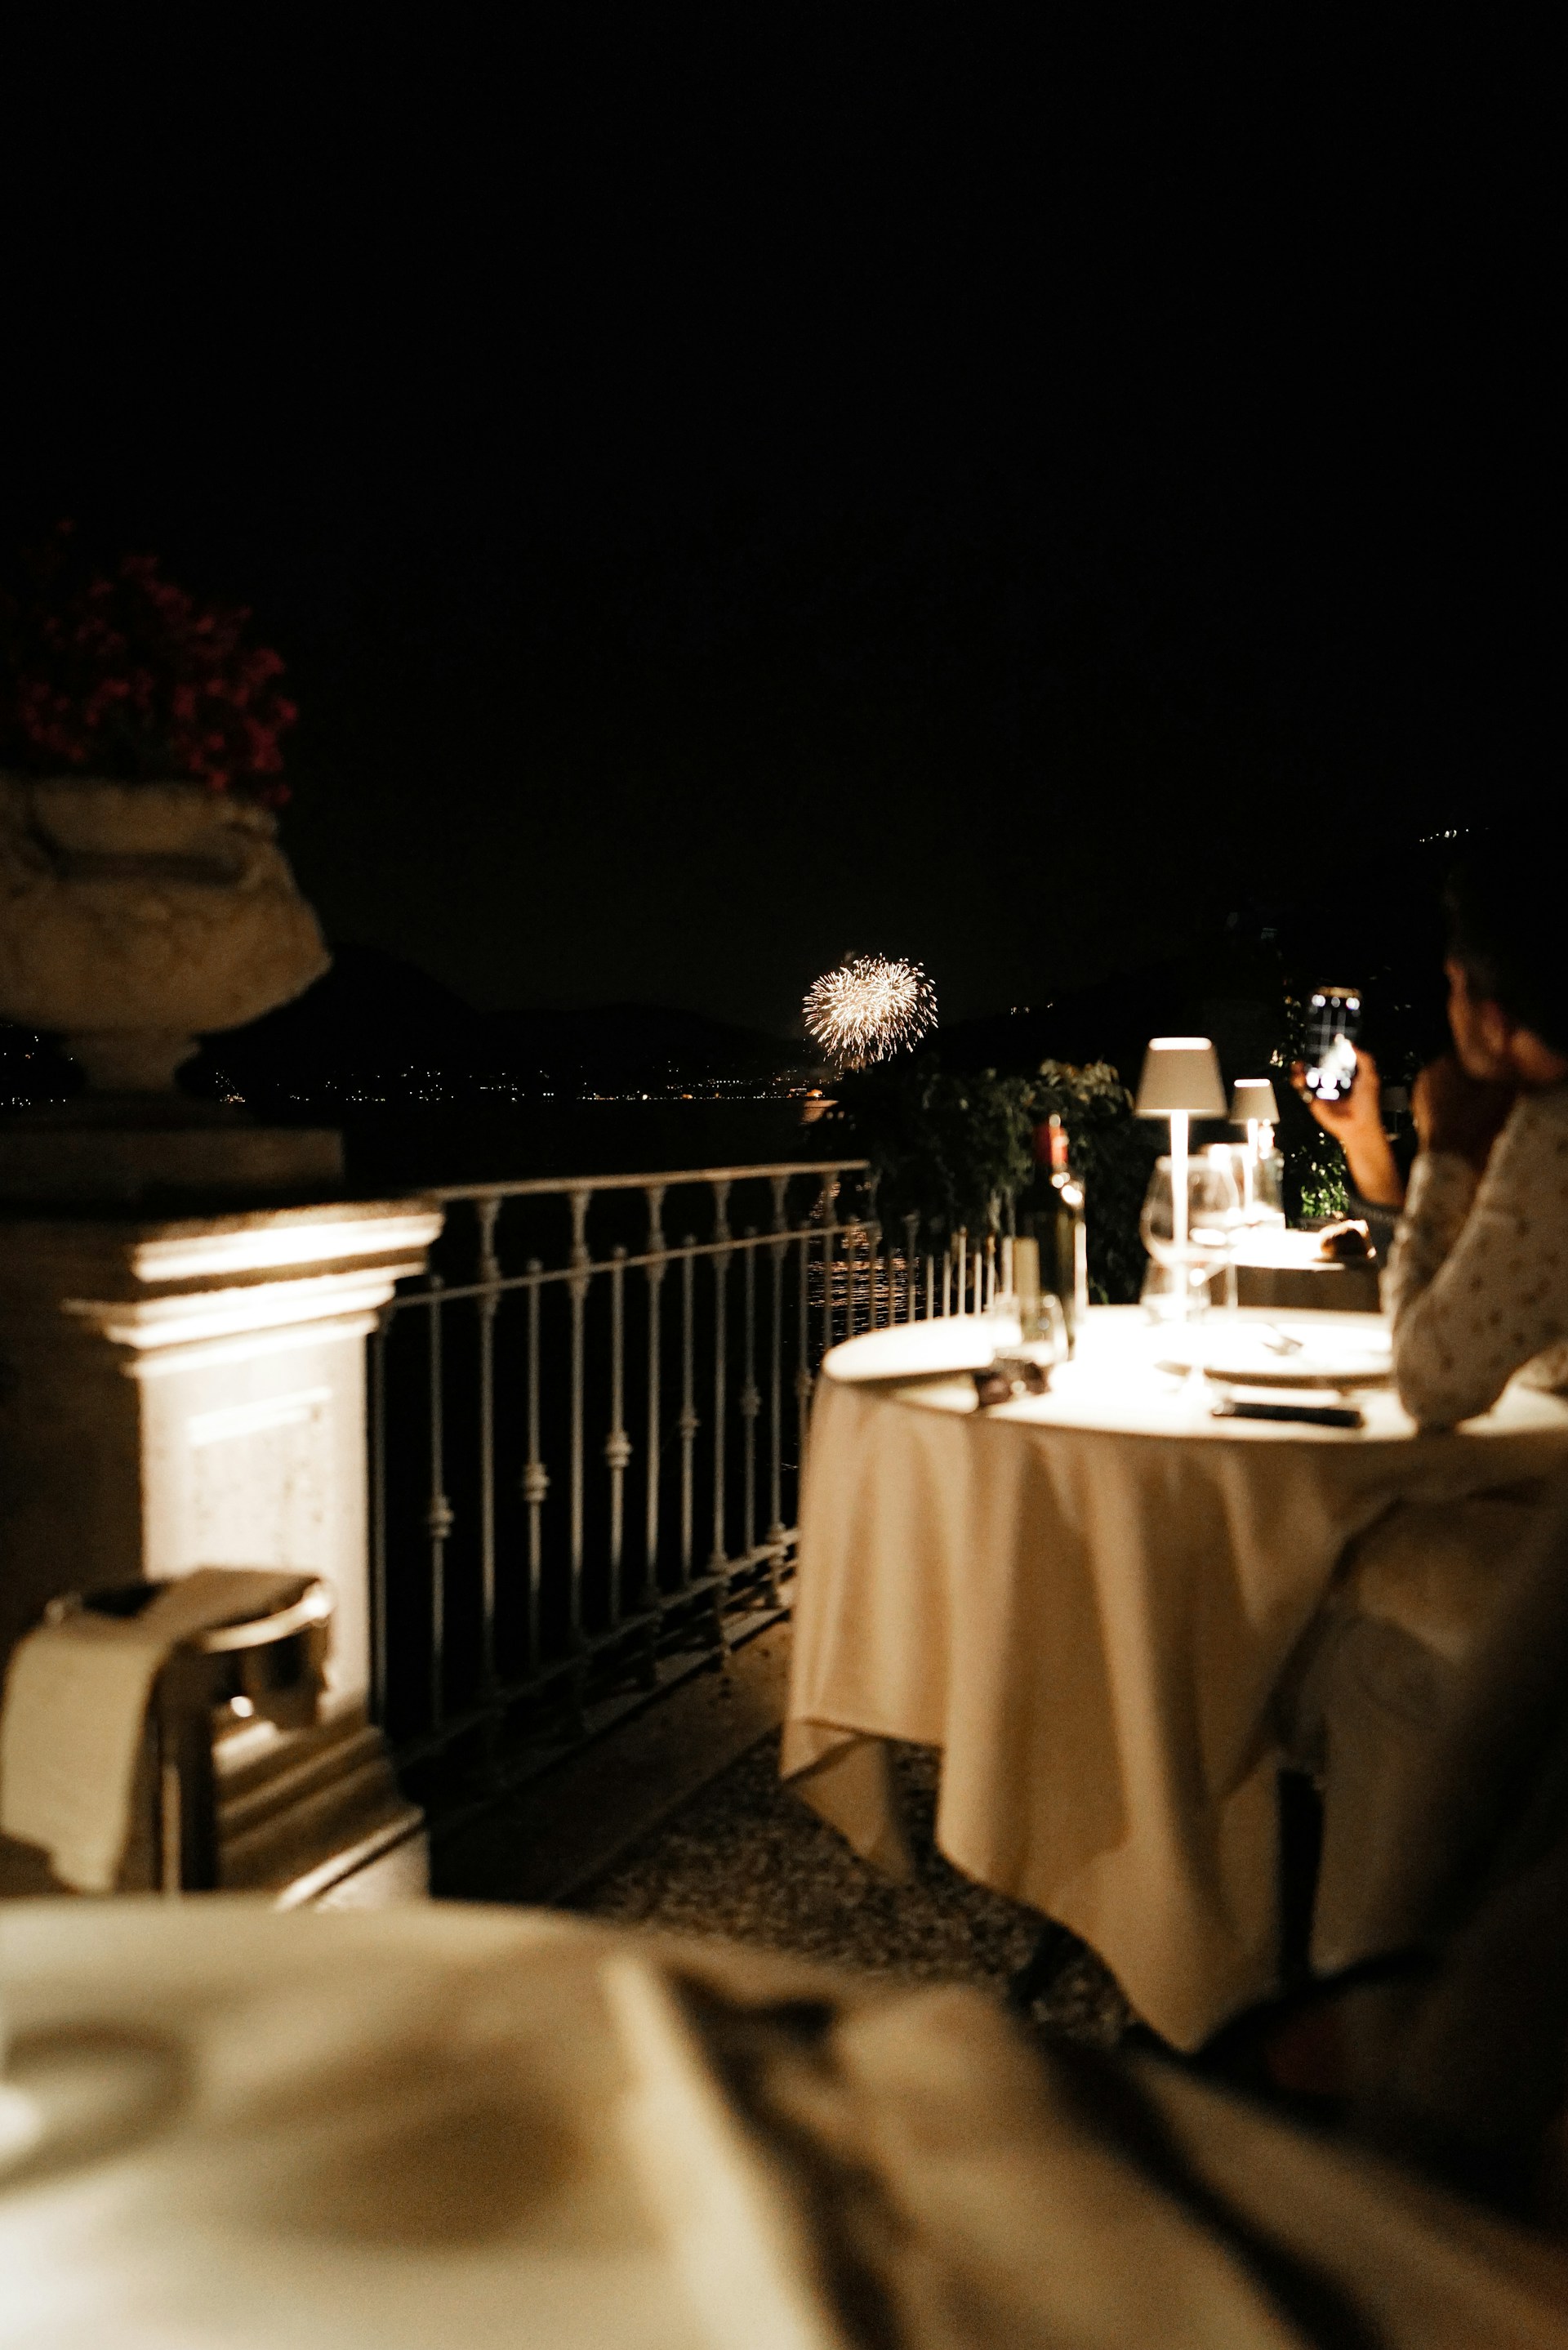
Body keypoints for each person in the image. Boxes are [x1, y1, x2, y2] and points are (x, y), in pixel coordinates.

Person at [1298, 848, 1568, 1429]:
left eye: (1453, 985)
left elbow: (1428, 1382)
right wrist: (1365, 1138)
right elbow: (1470, 1295)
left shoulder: (1551, 1139)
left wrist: (1443, 1154)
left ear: (1495, 1021)